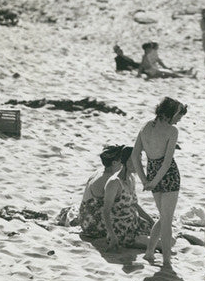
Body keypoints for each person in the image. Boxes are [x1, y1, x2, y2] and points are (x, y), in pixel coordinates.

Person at [133, 97, 187, 266]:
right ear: (171, 113)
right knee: (167, 219)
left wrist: (145, 180)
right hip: (168, 174)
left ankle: (149, 252)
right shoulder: (172, 131)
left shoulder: (146, 126)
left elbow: (135, 156)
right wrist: (154, 182)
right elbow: (166, 162)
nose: (179, 120)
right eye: (179, 116)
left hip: (152, 172)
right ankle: (166, 261)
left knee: (164, 217)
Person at [102, 146, 155, 250]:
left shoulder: (131, 178)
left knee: (166, 234)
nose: (141, 165)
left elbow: (135, 204)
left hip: (135, 223)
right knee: (164, 243)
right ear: (127, 162)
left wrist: (151, 221)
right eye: (137, 161)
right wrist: (112, 236)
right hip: (121, 231)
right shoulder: (114, 183)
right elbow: (106, 211)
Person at [79, 144, 128, 238]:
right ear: (114, 163)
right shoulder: (108, 179)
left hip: (85, 217)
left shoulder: (100, 172)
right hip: (92, 223)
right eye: (123, 160)